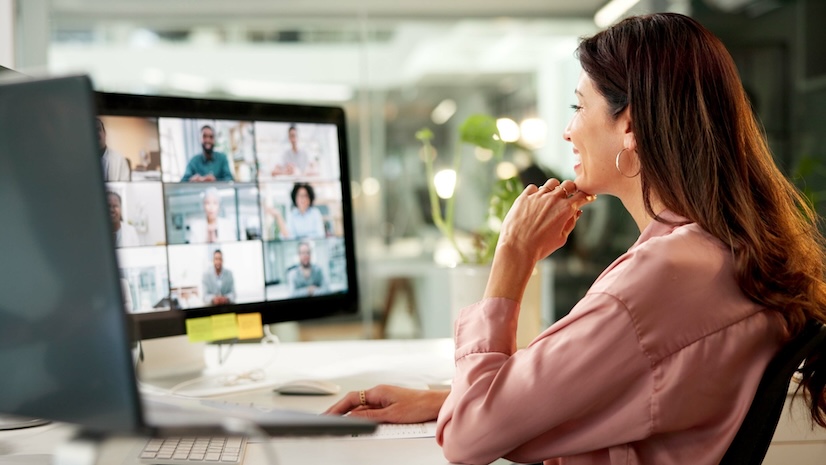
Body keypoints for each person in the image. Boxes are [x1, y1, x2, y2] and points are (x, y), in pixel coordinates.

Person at [325, 13, 826, 465]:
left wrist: (513, 255)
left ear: (628, 125)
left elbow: (469, 438)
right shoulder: (724, 253)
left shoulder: (660, 278)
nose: (567, 130)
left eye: (578, 106)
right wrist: (445, 400)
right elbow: (608, 398)